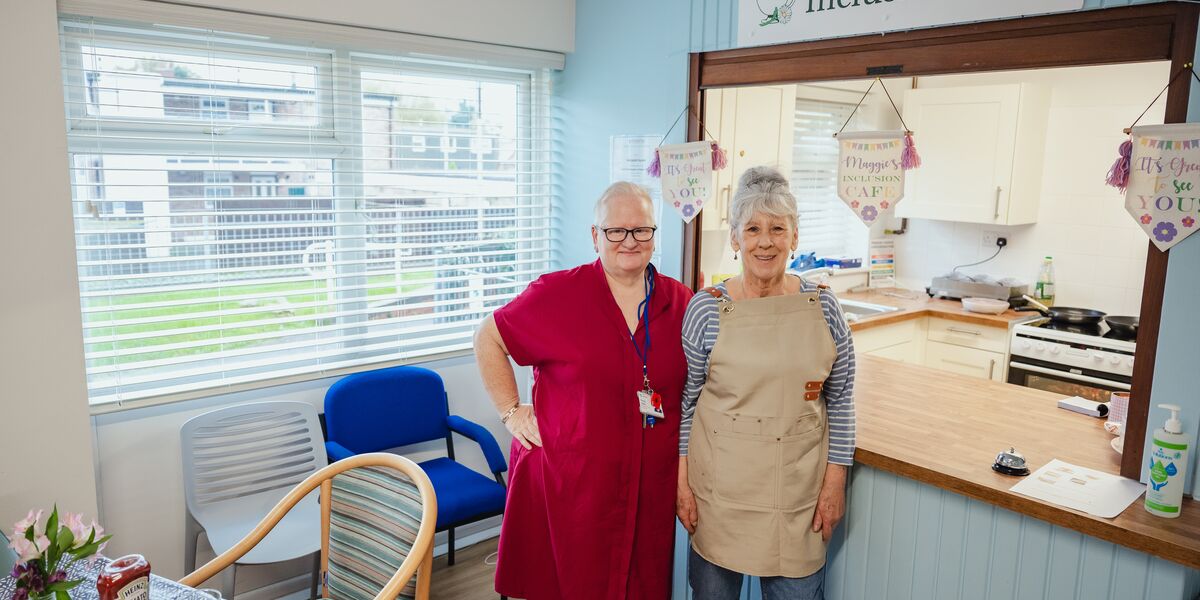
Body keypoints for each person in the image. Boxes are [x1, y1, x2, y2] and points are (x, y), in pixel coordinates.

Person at [474, 182, 693, 599]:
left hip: (647, 487)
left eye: (641, 230)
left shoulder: (680, 302)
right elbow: (488, 338)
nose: (629, 241)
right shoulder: (557, 295)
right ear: (596, 236)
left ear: (653, 235)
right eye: (616, 231)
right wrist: (510, 410)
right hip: (570, 485)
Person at [675, 166, 856, 600]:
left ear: (795, 236)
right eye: (752, 228)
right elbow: (687, 404)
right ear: (735, 238)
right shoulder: (706, 309)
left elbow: (843, 398)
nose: (765, 241)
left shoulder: (824, 308)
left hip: (798, 498)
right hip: (719, 497)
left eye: (778, 228)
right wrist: (681, 485)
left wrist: (835, 484)